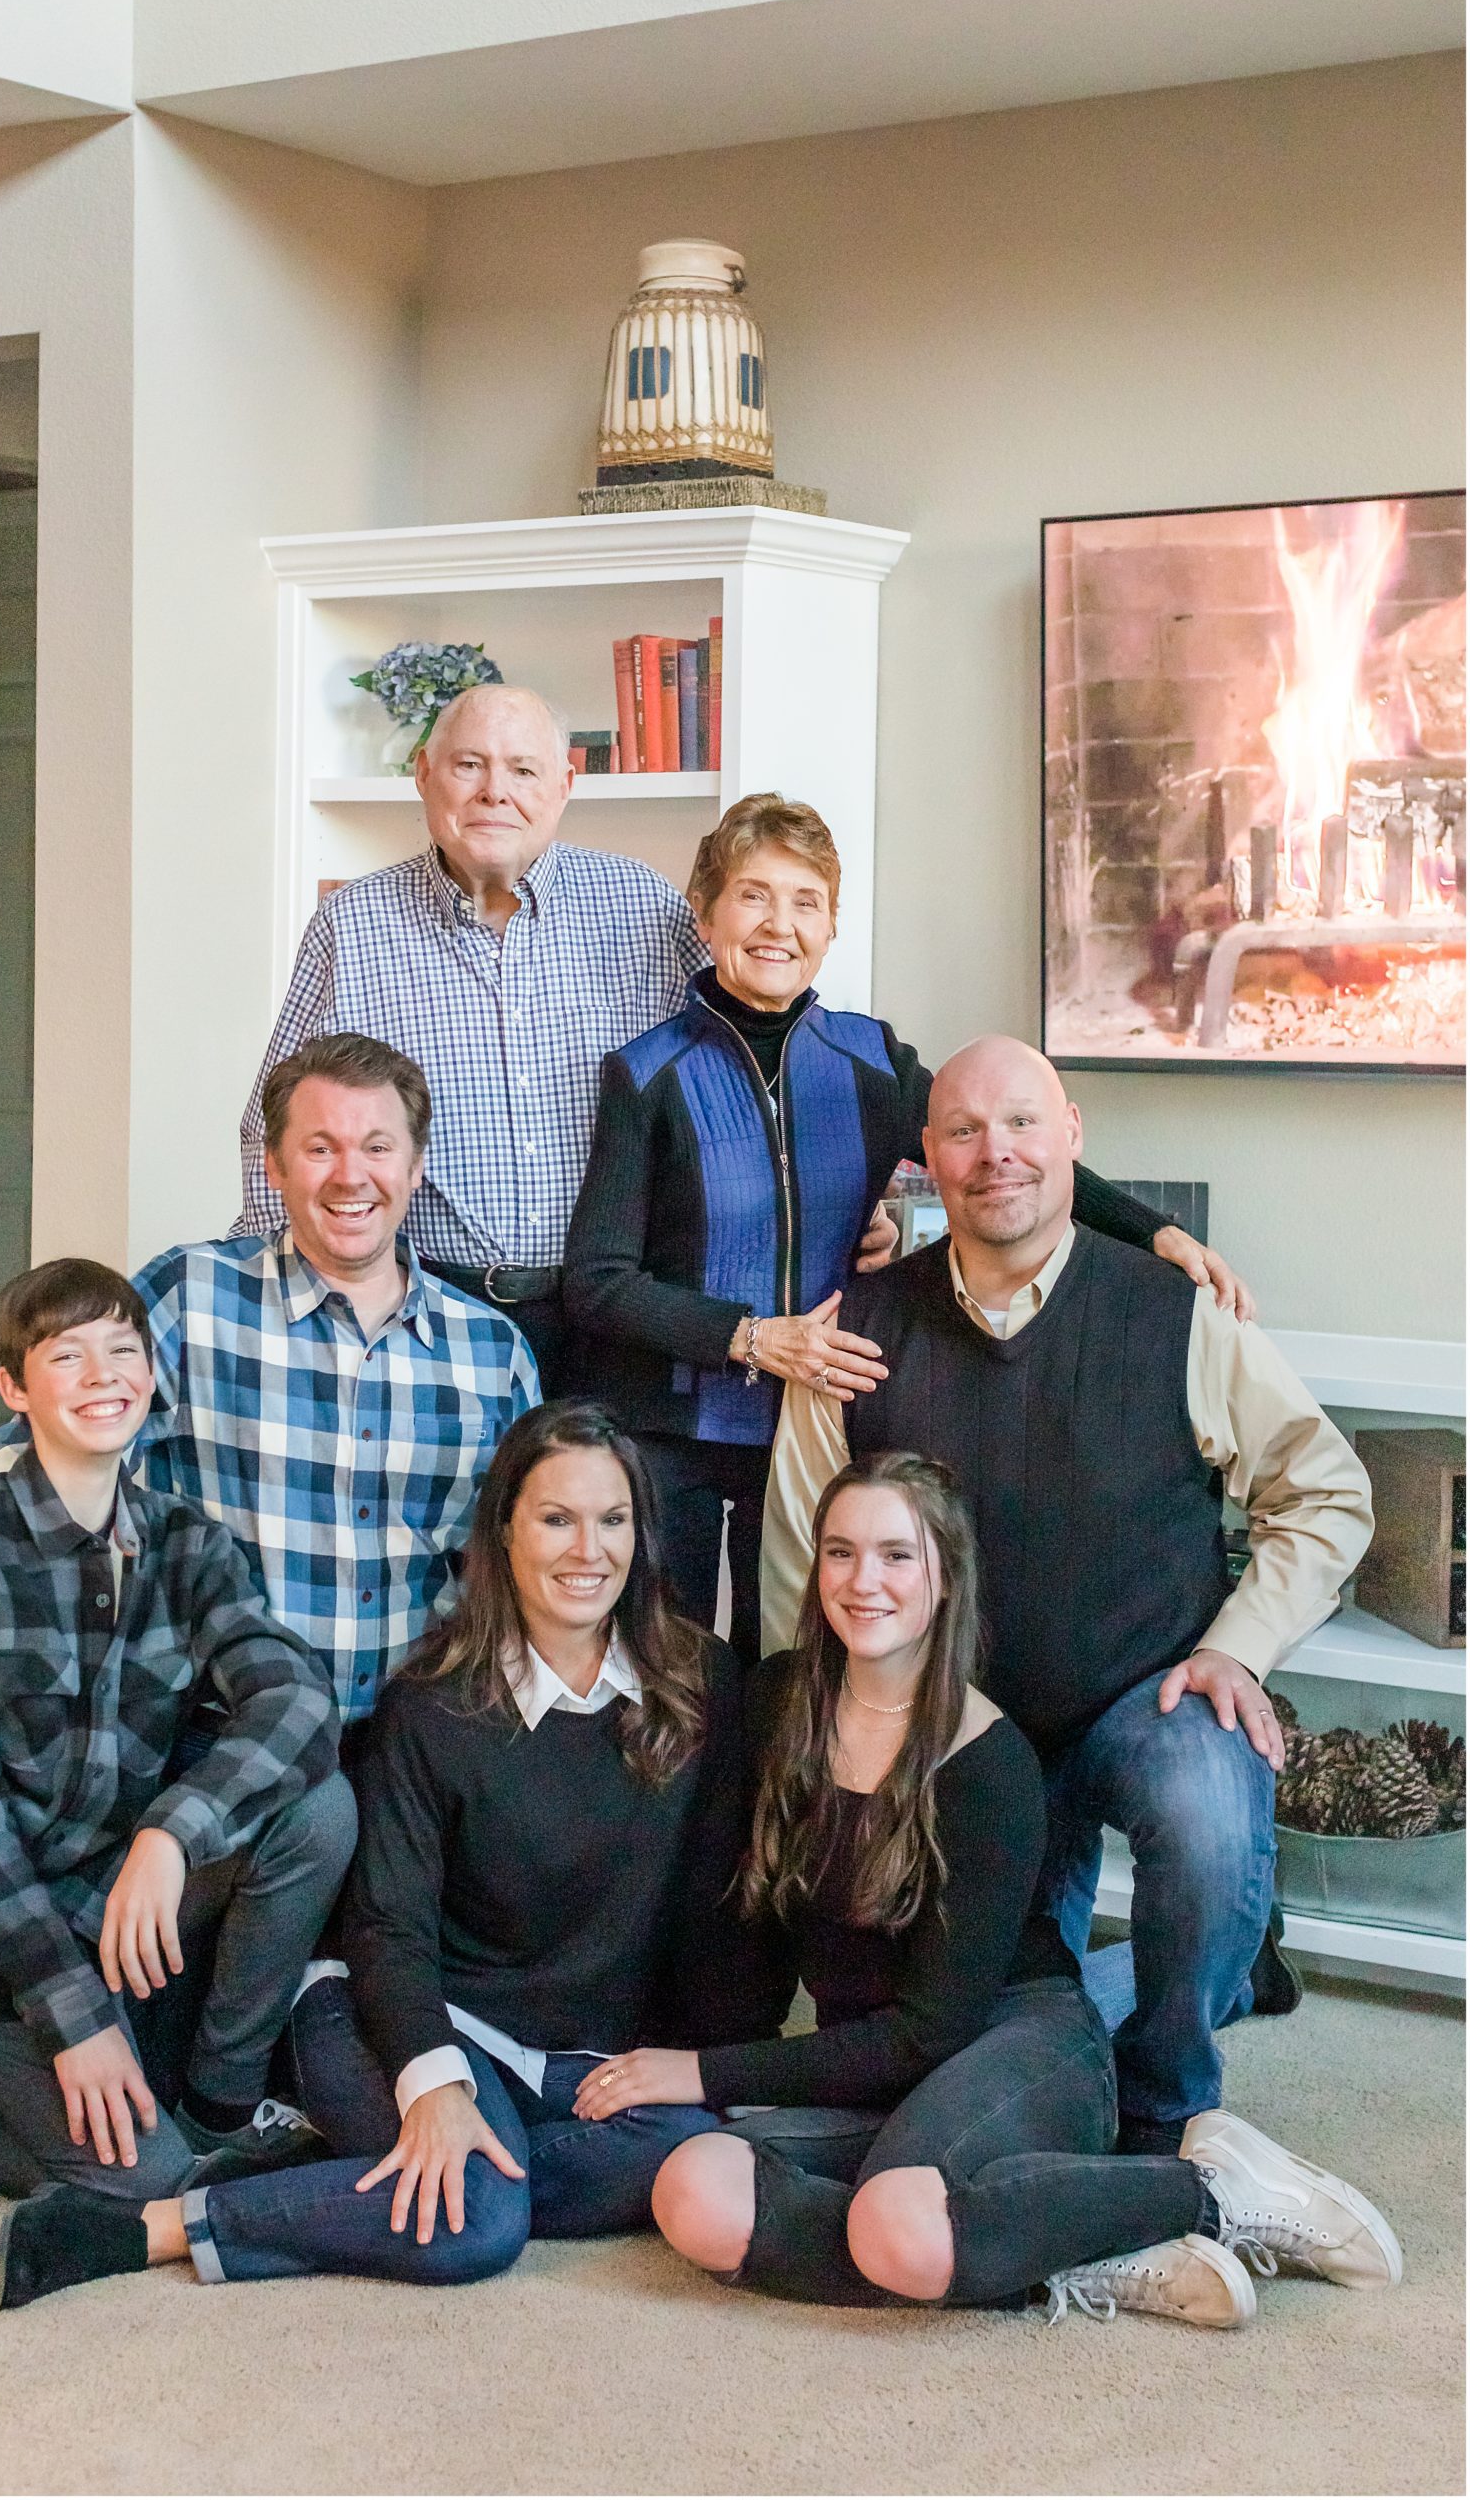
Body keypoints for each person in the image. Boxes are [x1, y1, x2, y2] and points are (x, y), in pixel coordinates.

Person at [0, 1033, 539, 2181]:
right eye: (318, 1145)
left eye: (377, 1145)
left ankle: (214, 2084)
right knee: (129, 2153)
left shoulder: (491, 1354)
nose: (349, 1173)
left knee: (321, 1966)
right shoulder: (190, 1297)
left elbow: (507, 1576)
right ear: (273, 1163)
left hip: (398, 1748)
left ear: (418, 1166)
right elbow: (36, 1446)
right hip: (213, 1743)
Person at [584, 1454, 1400, 2325]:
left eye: (898, 1555)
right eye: (841, 1552)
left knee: (897, 2220)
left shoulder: (987, 1762)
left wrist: (701, 2073)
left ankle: (1207, 2194)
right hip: (878, 2070)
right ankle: (1044, 2245)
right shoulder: (779, 1701)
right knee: (696, 2190)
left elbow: (928, 2033)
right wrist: (676, 2051)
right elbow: (745, 1935)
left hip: (1013, 2045)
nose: (865, 1581)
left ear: (945, 1577)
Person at [0, 1401, 760, 2308]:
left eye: (612, 1520)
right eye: (556, 1519)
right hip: (395, 2011)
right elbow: (387, 1929)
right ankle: (146, 2226)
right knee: (476, 2218)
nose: (588, 1550)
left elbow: (712, 1903)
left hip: (577, 2058)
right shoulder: (433, 1706)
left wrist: (706, 2068)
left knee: (694, 2151)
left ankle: (338, 2166)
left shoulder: (700, 1682)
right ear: (503, 1531)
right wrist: (431, 2083)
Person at [762, 1035, 1376, 2151]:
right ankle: (1206, 1979)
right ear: (927, 1163)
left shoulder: (1174, 1311)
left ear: (1072, 1139)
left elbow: (1325, 1490)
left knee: (1202, 1818)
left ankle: (1163, 2091)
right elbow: (803, 1552)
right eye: (962, 1131)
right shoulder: (857, 1330)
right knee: (973, 2020)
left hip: (1145, 1698)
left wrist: (1237, 1648)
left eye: (1023, 1123)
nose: (996, 1152)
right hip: (957, 1731)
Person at [562, 796, 1242, 1661]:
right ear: (705, 914)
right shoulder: (647, 1074)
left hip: (826, 1429)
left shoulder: (871, 1059)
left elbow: (1006, 1150)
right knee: (677, 1682)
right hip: (673, 1440)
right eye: (753, 896)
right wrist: (753, 1339)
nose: (780, 925)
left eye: (806, 902)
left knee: (804, 1671)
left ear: (831, 926)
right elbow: (597, 1280)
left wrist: (1156, 1235)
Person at [0, 1259, 354, 2204]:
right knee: (138, 2185)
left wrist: (169, 1833)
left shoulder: (189, 1545)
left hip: (113, 1886)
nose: (104, 1374)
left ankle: (214, 2108)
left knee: (320, 1808)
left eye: (123, 1349)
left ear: (151, 1373)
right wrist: (73, 2020)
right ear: (15, 1390)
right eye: (67, 1356)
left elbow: (299, 1703)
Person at [236, 684, 716, 1396]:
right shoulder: (353, 925)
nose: (496, 792)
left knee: (607, 1509)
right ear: (424, 775)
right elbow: (271, 1135)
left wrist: (834, 1207)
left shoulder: (643, 908)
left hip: (619, 1321)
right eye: (469, 766)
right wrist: (284, 1314)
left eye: (522, 770)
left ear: (564, 785)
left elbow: (734, 1080)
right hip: (429, 1319)